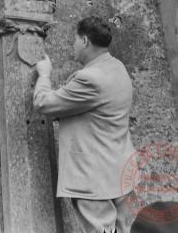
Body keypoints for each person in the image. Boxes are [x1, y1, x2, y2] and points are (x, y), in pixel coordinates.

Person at [34, 15, 136, 233]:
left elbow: (44, 103)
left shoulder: (90, 78)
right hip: (120, 172)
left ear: (85, 41)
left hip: (95, 179)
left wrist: (44, 75)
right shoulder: (117, 67)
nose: (73, 45)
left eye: (75, 39)